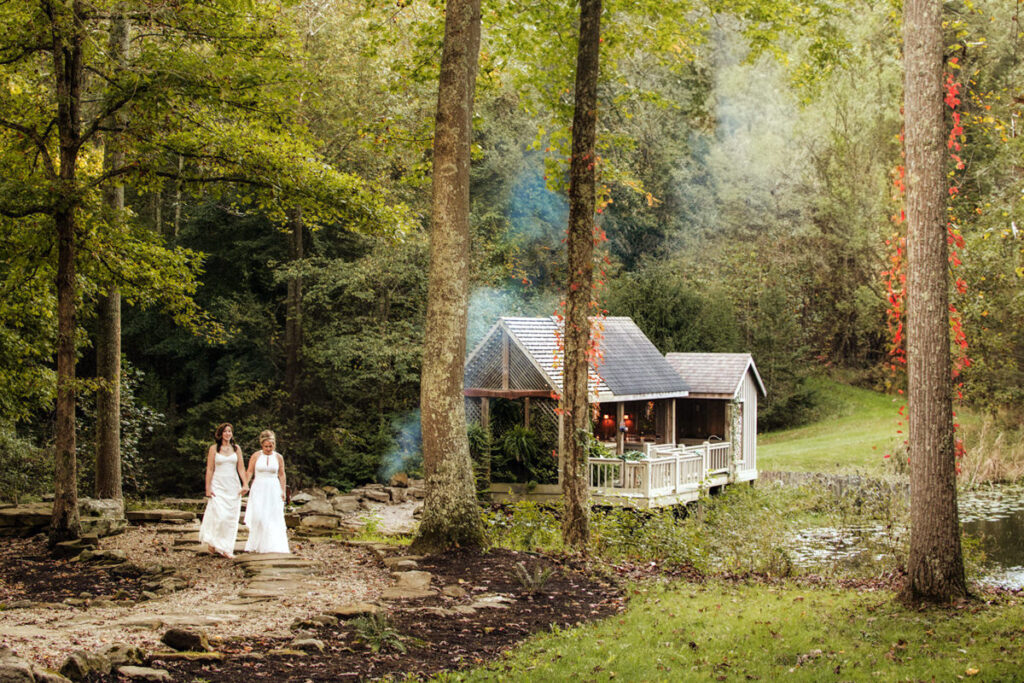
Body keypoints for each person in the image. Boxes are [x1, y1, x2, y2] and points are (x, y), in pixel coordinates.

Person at [198, 423, 248, 558]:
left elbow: (241, 468)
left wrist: (245, 484)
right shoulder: (214, 449)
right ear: (220, 434)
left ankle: (227, 548)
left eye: (229, 431)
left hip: (232, 485)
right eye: (225, 431)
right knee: (219, 516)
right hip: (218, 484)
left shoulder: (236, 449)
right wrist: (208, 488)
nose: (228, 434)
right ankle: (213, 540)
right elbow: (209, 469)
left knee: (230, 518)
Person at [243, 430, 290, 554]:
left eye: (271, 446)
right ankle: (256, 544)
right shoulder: (256, 456)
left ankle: (271, 545)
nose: (268, 449)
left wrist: (283, 490)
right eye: (266, 446)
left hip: (273, 488)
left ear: (274, 445)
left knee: (272, 516)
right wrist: (244, 485)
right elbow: (249, 471)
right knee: (258, 515)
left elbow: (282, 474)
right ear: (262, 445)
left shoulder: (278, 457)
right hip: (259, 487)